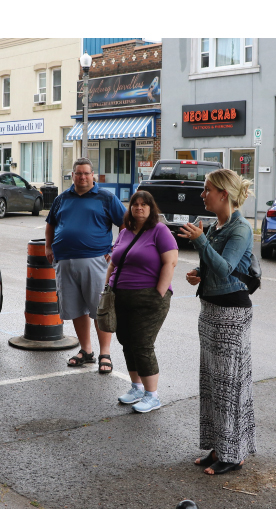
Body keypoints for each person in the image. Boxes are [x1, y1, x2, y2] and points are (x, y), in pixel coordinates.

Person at [178, 168, 256, 476]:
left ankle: (233, 454)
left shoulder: (240, 229)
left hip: (231, 314)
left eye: (207, 189)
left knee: (230, 385)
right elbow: (211, 267)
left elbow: (225, 269)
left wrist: (200, 242)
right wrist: (196, 274)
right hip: (210, 311)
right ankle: (218, 447)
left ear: (223, 194)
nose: (202, 194)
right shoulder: (214, 226)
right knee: (212, 383)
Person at [45, 157, 126, 373]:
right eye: (78, 173)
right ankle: (86, 350)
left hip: (96, 262)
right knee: (76, 309)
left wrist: (115, 249)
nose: (82, 177)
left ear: (93, 176)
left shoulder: (106, 198)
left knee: (100, 310)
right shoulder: (62, 199)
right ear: (73, 175)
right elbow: (51, 224)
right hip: (64, 262)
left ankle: (105, 353)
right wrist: (48, 247)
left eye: (86, 173)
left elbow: (126, 224)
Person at [105, 190, 178, 413]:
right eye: (135, 204)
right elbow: (113, 263)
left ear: (151, 207)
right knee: (127, 341)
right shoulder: (125, 231)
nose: (139, 208)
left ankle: (152, 395)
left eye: (144, 204)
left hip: (149, 298)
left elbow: (171, 262)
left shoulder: (159, 230)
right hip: (121, 296)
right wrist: (107, 288)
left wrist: (158, 293)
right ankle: (136, 388)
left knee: (143, 344)